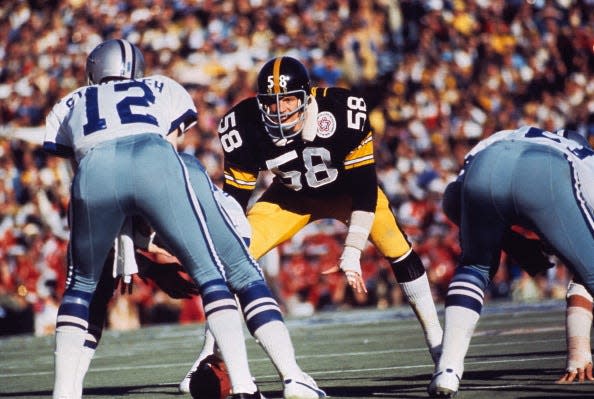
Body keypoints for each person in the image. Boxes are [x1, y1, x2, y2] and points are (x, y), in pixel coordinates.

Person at [43, 39, 316, 399]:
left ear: (94, 71)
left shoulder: (69, 103)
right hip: (162, 168)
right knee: (221, 275)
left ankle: (65, 393)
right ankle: (255, 385)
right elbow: (162, 153)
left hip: (95, 173)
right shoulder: (162, 87)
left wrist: (132, 252)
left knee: (81, 287)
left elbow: (98, 165)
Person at [214, 56, 442, 356]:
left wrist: (352, 250)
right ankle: (212, 357)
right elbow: (234, 205)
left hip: (347, 194)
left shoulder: (342, 111)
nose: (280, 110)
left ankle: (437, 341)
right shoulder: (243, 125)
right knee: (229, 261)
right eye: (272, 102)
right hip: (289, 198)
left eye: (289, 100)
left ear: (306, 97)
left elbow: (364, 190)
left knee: (395, 244)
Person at [428, 125, 594, 397]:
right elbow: (584, 274)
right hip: (546, 170)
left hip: (486, 164)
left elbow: (451, 202)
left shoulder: (503, 135)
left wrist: (511, 242)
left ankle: (448, 370)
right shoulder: (585, 159)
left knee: (475, 266)